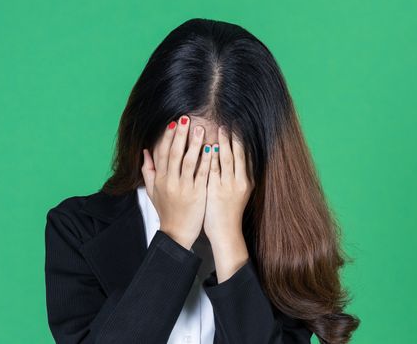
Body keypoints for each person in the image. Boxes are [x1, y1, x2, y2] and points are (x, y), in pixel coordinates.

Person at [44, 18, 360, 344]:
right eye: (185, 156)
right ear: (147, 144)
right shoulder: (75, 230)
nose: (201, 180)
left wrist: (228, 242)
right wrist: (174, 239)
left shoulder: (287, 244)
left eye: (223, 163)